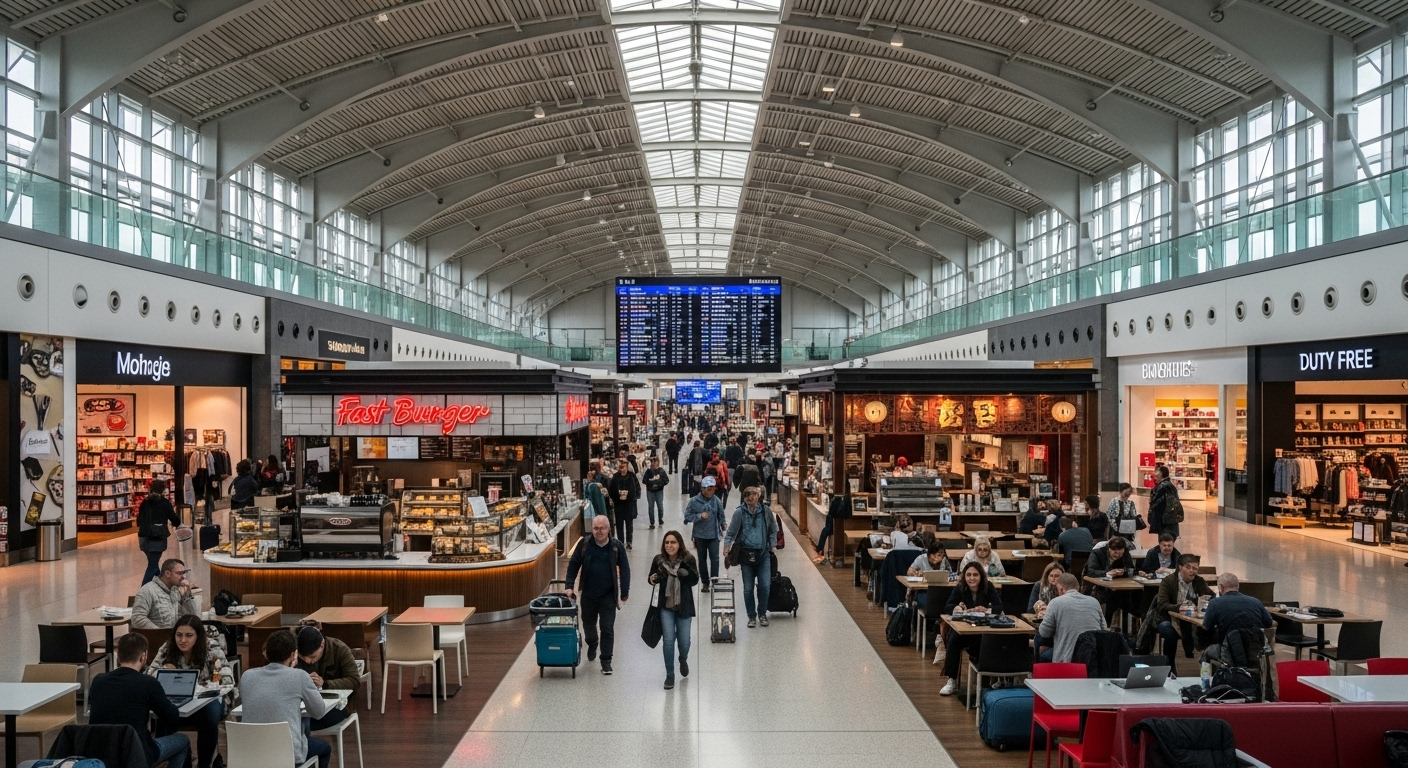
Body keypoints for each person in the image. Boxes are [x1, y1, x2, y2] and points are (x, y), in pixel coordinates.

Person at [90, 633, 190, 768]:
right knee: (183, 741)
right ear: (143, 656)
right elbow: (172, 716)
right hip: (136, 754)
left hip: (100, 754)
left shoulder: (98, 680)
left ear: (118, 655)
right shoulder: (148, 683)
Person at [146, 615, 233, 768]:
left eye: (189, 635)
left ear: (198, 636)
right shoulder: (168, 647)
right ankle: (175, 760)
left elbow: (226, 678)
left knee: (210, 714)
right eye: (179, 635)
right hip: (176, 700)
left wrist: (206, 688)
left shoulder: (211, 647)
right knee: (162, 713)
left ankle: (204, 764)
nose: (183, 640)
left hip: (205, 701)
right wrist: (164, 671)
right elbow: (150, 674)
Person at [239, 629, 331, 768]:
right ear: (293, 654)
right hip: (287, 754)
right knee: (324, 749)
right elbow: (318, 712)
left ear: (266, 653)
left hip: (251, 753)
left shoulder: (247, 676)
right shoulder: (299, 676)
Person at [565, 514, 631, 675]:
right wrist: (569, 586)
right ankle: (592, 643)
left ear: (609, 529)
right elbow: (573, 565)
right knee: (588, 625)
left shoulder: (617, 546)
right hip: (588, 594)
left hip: (608, 595)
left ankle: (606, 661)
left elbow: (625, 568)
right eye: (596, 528)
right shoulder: (584, 544)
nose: (599, 531)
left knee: (607, 628)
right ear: (592, 529)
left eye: (602, 528)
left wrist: (624, 592)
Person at [938, 562, 1002, 695]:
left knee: (991, 642)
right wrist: (958, 608)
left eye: (975, 575)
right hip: (964, 629)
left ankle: (989, 680)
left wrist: (987, 609)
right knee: (954, 639)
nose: (971, 578)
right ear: (964, 576)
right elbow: (948, 606)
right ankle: (952, 680)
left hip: (983, 630)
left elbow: (999, 606)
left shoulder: (988, 587)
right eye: (968, 575)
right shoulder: (960, 587)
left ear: (981, 576)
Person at [648, 530, 699, 690]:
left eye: (673, 542)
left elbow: (695, 580)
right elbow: (651, 577)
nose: (670, 545)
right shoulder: (658, 560)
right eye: (667, 542)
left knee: (684, 641)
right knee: (668, 641)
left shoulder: (688, 559)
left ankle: (682, 658)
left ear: (679, 544)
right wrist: (652, 579)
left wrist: (685, 574)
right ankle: (670, 674)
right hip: (665, 606)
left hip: (684, 606)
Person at [722, 486, 778, 628]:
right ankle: (751, 616)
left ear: (758, 496)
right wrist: (726, 546)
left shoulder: (766, 511)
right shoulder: (739, 513)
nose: (749, 497)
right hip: (746, 555)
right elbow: (730, 532)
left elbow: (773, 529)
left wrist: (773, 546)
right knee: (748, 588)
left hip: (763, 554)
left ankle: (762, 613)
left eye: (752, 495)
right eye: (746, 495)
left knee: (765, 585)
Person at [294, 624, 360, 731]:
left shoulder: (339, 649)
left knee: (301, 724)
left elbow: (354, 681)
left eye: (312, 657)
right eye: (302, 657)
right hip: (303, 705)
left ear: (322, 644)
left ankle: (307, 746)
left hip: (338, 705)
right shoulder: (294, 654)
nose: (308, 661)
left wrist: (325, 684)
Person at [1152, 554, 1215, 668]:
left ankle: (1204, 666)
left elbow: (1211, 597)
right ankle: (1169, 666)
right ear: (1180, 567)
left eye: (1195, 568)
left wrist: (1197, 603)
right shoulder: (1168, 581)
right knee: (1168, 630)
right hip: (1168, 618)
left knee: (1211, 629)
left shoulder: (1199, 581)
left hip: (1190, 619)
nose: (1192, 571)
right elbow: (1161, 605)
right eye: (1188, 567)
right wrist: (1180, 607)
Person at [1200, 572, 1273, 662]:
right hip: (1254, 653)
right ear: (1238, 587)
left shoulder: (1215, 603)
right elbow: (1269, 623)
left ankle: (1212, 675)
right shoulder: (1256, 602)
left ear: (1221, 587)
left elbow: (1206, 627)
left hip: (1228, 652)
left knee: (1206, 652)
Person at [1037, 573, 1108, 663]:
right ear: (1077, 588)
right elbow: (1104, 629)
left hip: (1067, 662)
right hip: (1094, 659)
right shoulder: (1094, 602)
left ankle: (1036, 673)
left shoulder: (1055, 603)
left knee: (1038, 639)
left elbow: (1044, 632)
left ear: (1061, 589)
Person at [133, 558, 200, 629]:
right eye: (179, 573)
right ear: (167, 573)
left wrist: (187, 595)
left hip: (176, 637)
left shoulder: (176, 590)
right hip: (156, 637)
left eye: (183, 573)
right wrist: (160, 633)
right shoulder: (148, 590)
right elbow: (137, 619)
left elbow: (192, 617)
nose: (183, 577)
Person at [136, 478, 181, 584]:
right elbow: (175, 519)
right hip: (157, 537)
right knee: (152, 565)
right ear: (162, 490)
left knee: (153, 563)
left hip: (143, 536)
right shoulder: (164, 503)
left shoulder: (145, 502)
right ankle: (143, 592)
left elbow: (139, 520)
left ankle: (161, 586)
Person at [1085, 536, 1137, 624]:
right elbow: (1091, 571)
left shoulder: (1125, 554)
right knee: (1110, 598)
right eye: (1115, 552)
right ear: (1109, 548)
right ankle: (1107, 623)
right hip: (1099, 587)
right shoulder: (1097, 553)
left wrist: (1124, 571)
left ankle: (1124, 625)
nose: (1117, 555)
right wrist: (1107, 573)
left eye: (1120, 553)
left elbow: (1131, 569)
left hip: (1120, 587)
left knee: (1133, 597)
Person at [685, 476, 726, 589]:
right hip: (700, 536)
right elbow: (687, 517)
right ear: (702, 489)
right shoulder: (694, 501)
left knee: (715, 558)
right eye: (709, 489)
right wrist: (699, 516)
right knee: (702, 560)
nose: (711, 491)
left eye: (713, 489)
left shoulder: (716, 500)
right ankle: (705, 582)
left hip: (713, 535)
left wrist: (723, 524)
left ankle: (714, 580)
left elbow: (721, 514)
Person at [607, 458, 641, 550]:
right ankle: (620, 542)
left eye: (624, 467)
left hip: (629, 504)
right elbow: (611, 490)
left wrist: (632, 496)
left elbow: (637, 488)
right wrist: (617, 496)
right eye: (621, 467)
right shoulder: (616, 477)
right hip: (619, 504)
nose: (622, 469)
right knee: (619, 524)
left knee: (629, 524)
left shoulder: (632, 476)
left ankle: (629, 541)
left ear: (627, 467)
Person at [906, 541, 950, 610]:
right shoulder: (921, 559)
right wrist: (916, 573)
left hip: (941, 591)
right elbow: (909, 571)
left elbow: (950, 574)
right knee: (929, 604)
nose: (936, 558)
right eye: (933, 555)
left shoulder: (944, 561)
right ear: (928, 554)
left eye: (939, 556)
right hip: (924, 592)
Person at [813, 493, 849, 565]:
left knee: (826, 530)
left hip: (835, 513)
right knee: (826, 530)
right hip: (836, 512)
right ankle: (820, 551)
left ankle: (820, 551)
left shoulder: (839, 499)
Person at [1148, 466, 1181, 540]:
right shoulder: (1169, 485)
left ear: (1162, 475)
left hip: (1164, 521)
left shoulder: (1163, 486)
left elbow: (1158, 503)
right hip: (1170, 520)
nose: (1155, 478)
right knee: (1168, 540)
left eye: (1156, 476)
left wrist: (1152, 502)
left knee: (1165, 541)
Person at [643, 456, 670, 530]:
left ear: (658, 462)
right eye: (652, 462)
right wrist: (650, 482)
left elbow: (666, 480)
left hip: (659, 491)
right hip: (650, 492)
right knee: (651, 507)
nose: (653, 463)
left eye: (655, 462)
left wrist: (660, 483)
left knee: (660, 506)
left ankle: (660, 519)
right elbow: (644, 481)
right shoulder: (648, 471)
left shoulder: (661, 471)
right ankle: (652, 522)